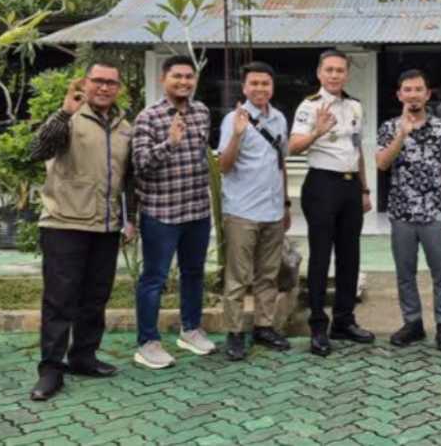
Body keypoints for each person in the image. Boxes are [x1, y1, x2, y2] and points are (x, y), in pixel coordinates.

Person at [28, 61, 135, 401]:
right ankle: (51, 370)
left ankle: (84, 357)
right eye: (98, 81)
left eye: (111, 83)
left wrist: (129, 218)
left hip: (105, 225)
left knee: (95, 297)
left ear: (118, 88)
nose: (104, 87)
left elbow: (128, 179)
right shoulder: (68, 118)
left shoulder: (124, 127)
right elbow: (37, 151)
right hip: (64, 222)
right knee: (60, 300)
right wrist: (63, 114)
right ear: (85, 83)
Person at [132, 55, 216, 369]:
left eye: (188, 77)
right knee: (154, 279)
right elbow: (140, 164)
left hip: (196, 209)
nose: (183, 82)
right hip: (161, 213)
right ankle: (148, 342)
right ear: (163, 79)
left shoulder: (202, 112)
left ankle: (190, 330)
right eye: (177, 76)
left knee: (193, 273)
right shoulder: (149, 117)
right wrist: (169, 142)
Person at [289, 50, 374, 356]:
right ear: (319, 73)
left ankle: (344, 320)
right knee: (321, 257)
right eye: (330, 70)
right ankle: (317, 326)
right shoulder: (309, 106)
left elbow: (357, 150)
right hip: (322, 185)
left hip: (351, 187)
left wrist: (365, 189)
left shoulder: (355, 106)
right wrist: (317, 131)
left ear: (347, 74)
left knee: (350, 256)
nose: (335, 75)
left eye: (340, 70)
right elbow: (293, 146)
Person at [376, 69, 441, 352]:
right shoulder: (389, 128)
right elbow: (382, 163)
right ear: (399, 95)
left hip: (435, 212)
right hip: (401, 212)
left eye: (418, 90)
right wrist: (401, 135)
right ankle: (412, 323)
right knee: (405, 272)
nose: (413, 95)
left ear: (427, 94)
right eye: (407, 90)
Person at [217, 62, 292, 361]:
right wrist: (237, 135)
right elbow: (223, 166)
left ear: (272, 87)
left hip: (272, 211)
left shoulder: (279, 118)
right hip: (242, 211)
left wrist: (285, 204)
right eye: (254, 83)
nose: (260, 88)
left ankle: (264, 326)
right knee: (238, 277)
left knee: (268, 275)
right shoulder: (233, 119)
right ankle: (235, 333)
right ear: (244, 87)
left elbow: (281, 163)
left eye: (265, 83)